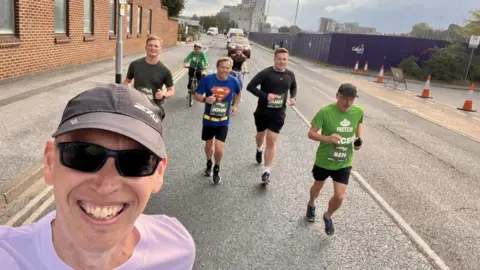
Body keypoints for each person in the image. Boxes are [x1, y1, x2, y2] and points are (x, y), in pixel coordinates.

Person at [0, 84, 196, 269]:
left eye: (136, 162)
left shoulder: (177, 249)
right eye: (83, 155)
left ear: (158, 173)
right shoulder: (8, 257)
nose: (106, 185)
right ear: (50, 163)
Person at [305, 83, 364, 236]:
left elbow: (359, 125)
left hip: (343, 161)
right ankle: (311, 204)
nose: (348, 103)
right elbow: (311, 133)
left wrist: (358, 140)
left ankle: (328, 216)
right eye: (345, 98)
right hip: (324, 159)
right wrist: (328, 138)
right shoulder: (325, 112)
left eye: (351, 99)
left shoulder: (358, 112)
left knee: (340, 196)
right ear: (337, 96)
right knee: (318, 186)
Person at [246, 48, 297, 185]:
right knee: (260, 137)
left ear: (287, 60)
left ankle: (266, 172)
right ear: (274, 59)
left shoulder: (290, 75)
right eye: (279, 58)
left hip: (278, 113)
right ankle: (258, 149)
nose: (282, 61)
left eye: (284, 59)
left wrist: (293, 97)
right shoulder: (266, 73)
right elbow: (250, 87)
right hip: (262, 111)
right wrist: (265, 96)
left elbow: (293, 87)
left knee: (272, 141)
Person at [194, 57, 241, 184]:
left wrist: (235, 105)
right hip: (208, 120)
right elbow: (196, 94)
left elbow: (238, 92)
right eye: (222, 67)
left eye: (228, 67)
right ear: (217, 67)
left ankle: (216, 168)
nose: (225, 70)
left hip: (223, 121)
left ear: (230, 68)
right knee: (209, 146)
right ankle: (209, 162)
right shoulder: (208, 79)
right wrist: (205, 100)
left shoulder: (234, 81)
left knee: (219, 148)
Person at [123, 36, 174, 121]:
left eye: (156, 46)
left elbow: (171, 91)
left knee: (152, 133)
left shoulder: (165, 71)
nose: (153, 48)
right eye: (150, 45)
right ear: (146, 47)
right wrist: (125, 90)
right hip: (137, 104)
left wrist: (163, 95)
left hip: (155, 106)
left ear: (160, 49)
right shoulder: (135, 65)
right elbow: (127, 81)